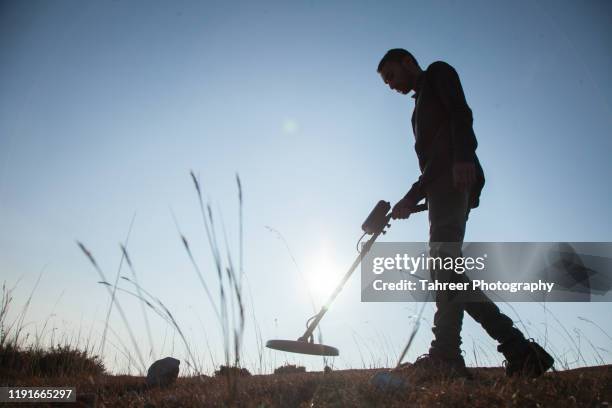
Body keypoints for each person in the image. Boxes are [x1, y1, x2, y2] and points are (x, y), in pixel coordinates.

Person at [377, 48, 554, 378]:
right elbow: (431, 162)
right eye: (385, 81)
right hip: (440, 188)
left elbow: (460, 113)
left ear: (406, 62)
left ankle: (446, 355)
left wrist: (463, 158)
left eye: (391, 75)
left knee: (443, 266)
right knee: (447, 270)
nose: (390, 84)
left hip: (454, 179)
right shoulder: (416, 108)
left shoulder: (438, 73)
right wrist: (412, 197)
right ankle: (518, 351)